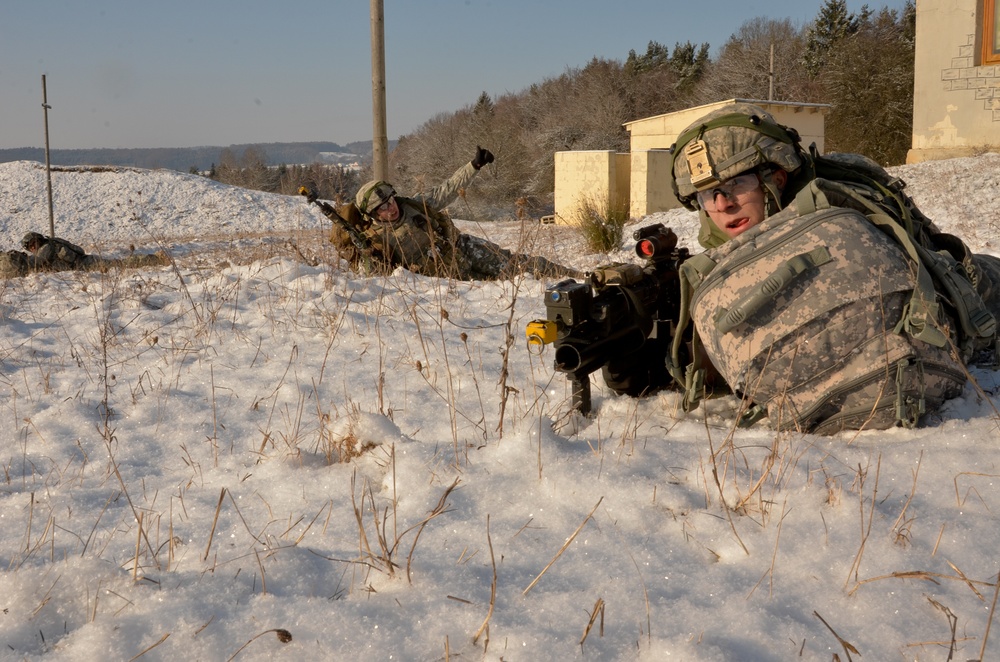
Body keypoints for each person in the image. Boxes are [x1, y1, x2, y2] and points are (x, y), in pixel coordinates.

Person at [663, 101, 1000, 432]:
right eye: (709, 195)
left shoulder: (840, 200)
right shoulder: (719, 251)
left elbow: (928, 262)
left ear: (776, 178)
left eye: (738, 183)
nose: (724, 204)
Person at [333, 146, 580, 280]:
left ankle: (576, 276)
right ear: (373, 215)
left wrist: (474, 166)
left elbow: (446, 190)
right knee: (511, 288)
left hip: (464, 248)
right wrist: (366, 255)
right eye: (383, 206)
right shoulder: (376, 240)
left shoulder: (412, 205)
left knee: (519, 266)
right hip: (448, 279)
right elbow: (376, 278)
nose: (392, 207)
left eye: (390, 199)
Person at [20, 232, 169, 273]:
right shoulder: (51, 243)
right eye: (29, 247)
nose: (32, 248)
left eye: (32, 244)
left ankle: (155, 259)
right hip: (84, 261)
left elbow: (36, 263)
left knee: (121, 264)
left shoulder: (46, 248)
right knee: (118, 263)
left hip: (84, 265)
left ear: (37, 241)